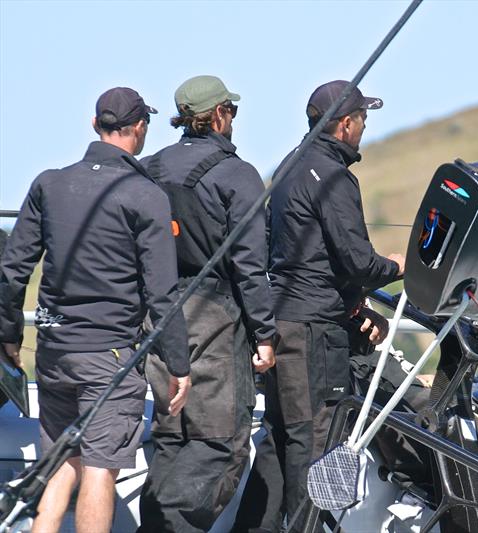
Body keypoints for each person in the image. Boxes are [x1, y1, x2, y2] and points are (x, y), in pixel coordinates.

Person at [0, 87, 191, 533]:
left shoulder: (49, 182)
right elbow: (163, 291)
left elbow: (13, 269)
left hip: (52, 351)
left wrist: (9, 333)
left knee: (63, 462)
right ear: (141, 128)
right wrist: (179, 364)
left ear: (94, 124)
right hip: (109, 358)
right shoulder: (146, 196)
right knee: (100, 470)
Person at [233, 80, 405, 532]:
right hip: (313, 331)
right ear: (345, 125)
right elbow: (356, 260)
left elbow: (278, 248)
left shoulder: (289, 167)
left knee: (278, 439)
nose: (365, 127)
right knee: (315, 443)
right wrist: (398, 266)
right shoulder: (334, 177)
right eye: (364, 119)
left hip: (281, 320)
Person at [136, 75, 277, 532]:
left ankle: (155, 524)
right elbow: (251, 266)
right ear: (218, 115)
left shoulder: (149, 169)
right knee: (220, 443)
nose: (233, 119)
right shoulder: (237, 175)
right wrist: (265, 335)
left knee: (170, 437)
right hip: (214, 319)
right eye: (230, 111)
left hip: (154, 317)